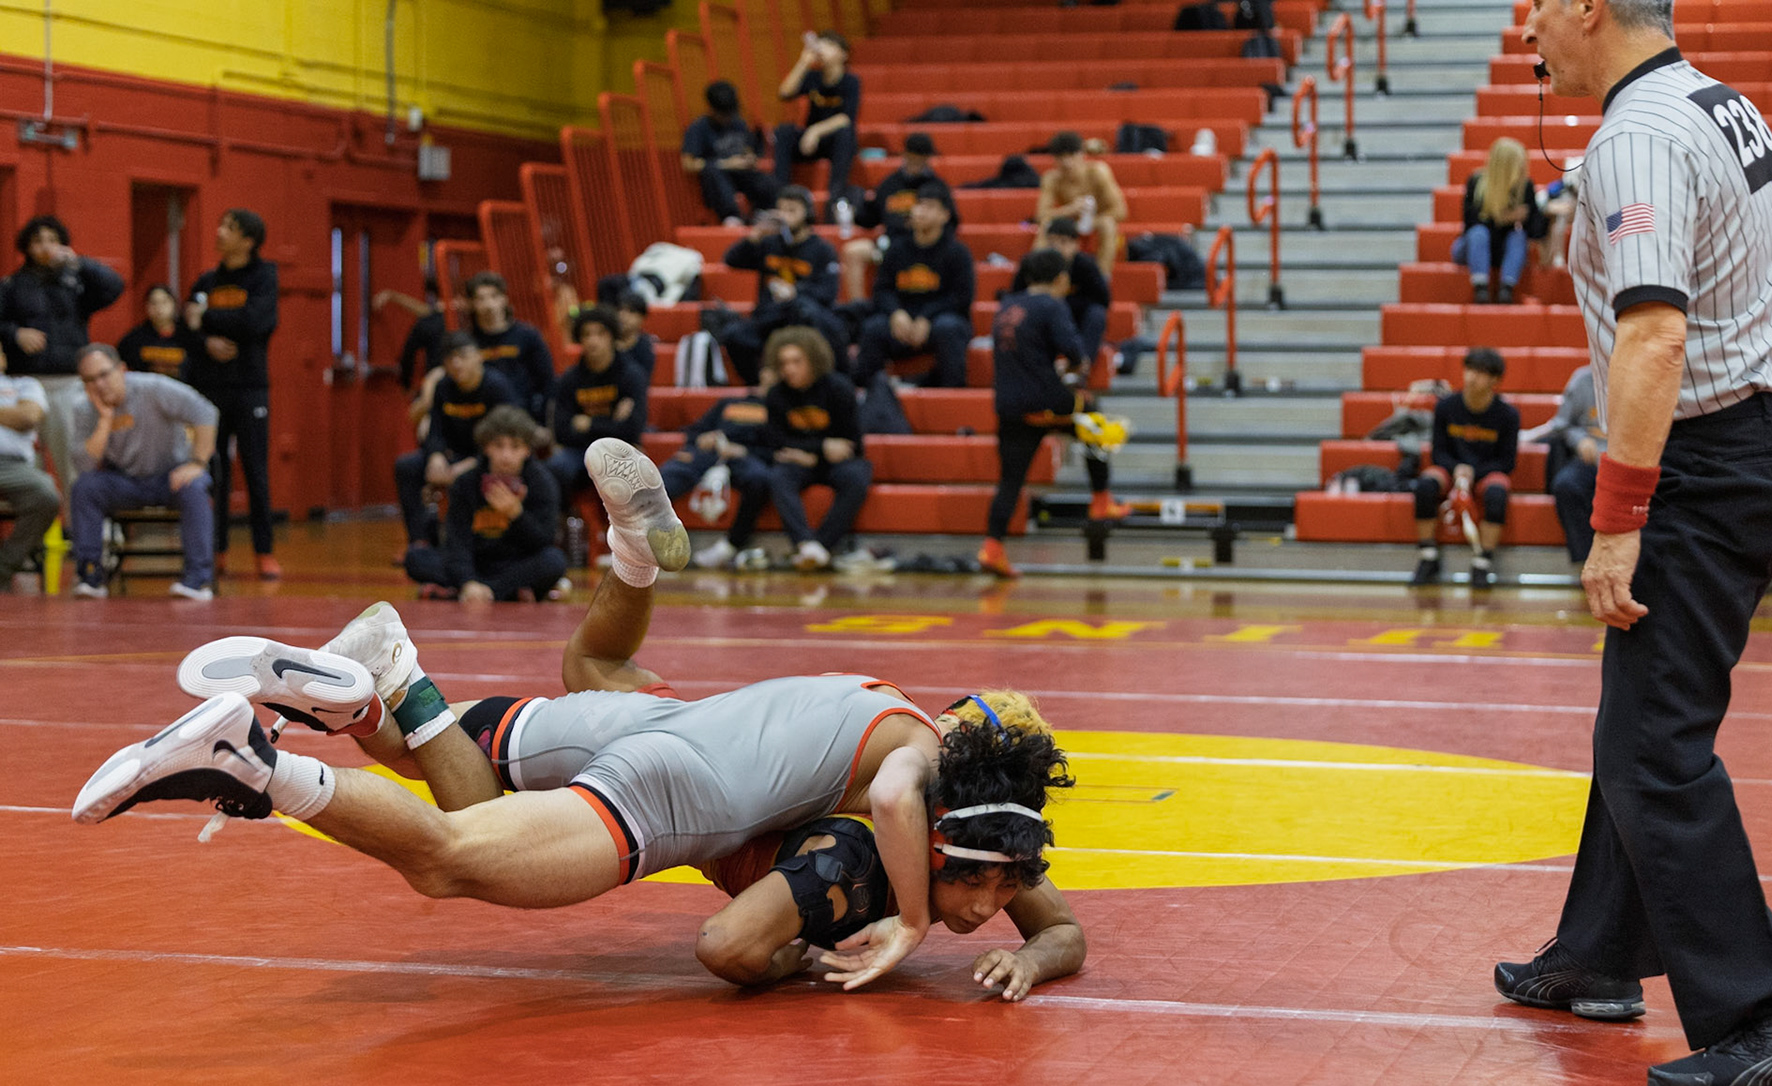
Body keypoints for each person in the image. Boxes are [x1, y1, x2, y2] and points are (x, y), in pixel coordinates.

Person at [84, 439, 1078, 995]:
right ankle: (257, 765)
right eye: (986, 885)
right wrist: (909, 925)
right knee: (451, 856)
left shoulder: (908, 739)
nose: (987, 906)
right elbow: (874, 822)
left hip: (658, 724)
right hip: (679, 785)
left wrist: (1027, 952)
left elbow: (1055, 922)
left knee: (530, 708)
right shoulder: (916, 782)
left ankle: (391, 684)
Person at [1499, 0, 1772, 1086]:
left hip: (1713, 455)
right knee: (1638, 715)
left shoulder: (1637, 133)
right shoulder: (1717, 104)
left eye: (1538, 6)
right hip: (1765, 432)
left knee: (1654, 746)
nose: (1525, 30)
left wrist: (1616, 520)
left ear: (1589, 8)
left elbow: (1654, 332)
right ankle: (1598, 954)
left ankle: (1768, 1016)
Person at [980, 250, 1132, 578]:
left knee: (1010, 481)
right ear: (1061, 279)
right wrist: (1075, 366)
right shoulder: (1052, 305)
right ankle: (1101, 499)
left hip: (1008, 405)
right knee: (1095, 420)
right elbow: (1075, 353)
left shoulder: (1007, 306)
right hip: (1045, 401)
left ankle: (992, 547)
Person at [65, 344, 218, 600]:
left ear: (122, 370)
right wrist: (104, 420)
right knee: (85, 487)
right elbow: (84, 465)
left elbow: (206, 411)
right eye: (89, 380)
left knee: (196, 485)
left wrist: (198, 463)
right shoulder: (83, 407)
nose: (99, 384)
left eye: (104, 375)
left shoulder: (154, 388)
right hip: (123, 480)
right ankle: (90, 578)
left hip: (170, 476)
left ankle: (198, 581)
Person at [0, 214, 125, 498]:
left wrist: (79, 262)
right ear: (26, 246)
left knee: (72, 462)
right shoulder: (11, 285)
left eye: (52, 240)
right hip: (25, 384)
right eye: (38, 240)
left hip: (68, 382)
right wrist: (15, 333)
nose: (46, 246)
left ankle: (79, 523)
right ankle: (37, 526)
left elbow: (115, 287)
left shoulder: (75, 281)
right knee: (29, 466)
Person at [185, 209, 279, 579]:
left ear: (248, 241)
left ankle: (264, 552)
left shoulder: (264, 276)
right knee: (214, 471)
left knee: (256, 471)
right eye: (221, 224)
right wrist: (205, 342)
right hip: (211, 388)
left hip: (250, 387)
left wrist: (207, 318)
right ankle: (217, 550)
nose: (220, 231)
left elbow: (257, 322)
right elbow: (187, 326)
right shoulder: (207, 280)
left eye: (229, 227)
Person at [404, 406, 568, 603]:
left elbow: (544, 540)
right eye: (498, 446)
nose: (506, 455)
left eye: (515, 447)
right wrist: (468, 581)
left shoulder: (542, 482)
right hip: (476, 562)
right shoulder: (466, 483)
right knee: (415, 558)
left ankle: (476, 592)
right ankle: (505, 592)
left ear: (527, 450)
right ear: (486, 446)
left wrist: (516, 514)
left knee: (554, 560)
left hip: (515, 564)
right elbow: (457, 542)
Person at [395, 332, 518, 549]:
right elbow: (435, 430)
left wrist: (474, 463)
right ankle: (419, 540)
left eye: (462, 356)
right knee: (406, 467)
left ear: (478, 356)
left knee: (471, 477)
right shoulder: (443, 387)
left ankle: (473, 542)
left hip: (488, 459)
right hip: (452, 457)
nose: (456, 363)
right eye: (450, 358)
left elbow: (505, 437)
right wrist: (435, 456)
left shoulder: (497, 387)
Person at [1409, 347, 1519, 589]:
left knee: (1497, 492)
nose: (1471, 377)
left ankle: (1482, 562)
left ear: (1495, 380)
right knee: (1425, 485)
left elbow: (1507, 462)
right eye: (1469, 370)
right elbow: (1438, 453)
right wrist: (1457, 469)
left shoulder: (1508, 415)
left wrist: (1473, 472)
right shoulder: (1446, 407)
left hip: (1486, 472)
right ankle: (1428, 556)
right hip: (1451, 470)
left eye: (1479, 372)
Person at [762, 326, 868, 570]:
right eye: (784, 363)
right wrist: (821, 447)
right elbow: (776, 441)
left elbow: (854, 445)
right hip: (800, 462)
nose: (789, 369)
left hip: (833, 463)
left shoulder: (839, 388)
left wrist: (813, 454)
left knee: (857, 476)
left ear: (814, 359)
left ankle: (820, 546)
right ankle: (805, 543)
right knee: (778, 476)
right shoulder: (776, 394)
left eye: (796, 361)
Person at [719, 187, 847, 385]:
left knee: (816, 317)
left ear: (808, 213)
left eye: (792, 210)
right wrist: (755, 235)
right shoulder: (769, 243)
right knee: (733, 335)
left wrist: (795, 292)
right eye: (782, 210)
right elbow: (731, 260)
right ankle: (759, 385)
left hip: (805, 322)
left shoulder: (823, 250)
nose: (786, 216)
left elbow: (828, 293)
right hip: (770, 320)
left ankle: (833, 384)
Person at [852, 185, 974, 389]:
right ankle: (868, 393)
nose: (921, 211)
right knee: (873, 328)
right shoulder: (896, 249)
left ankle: (952, 394)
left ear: (945, 215)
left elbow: (960, 297)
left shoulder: (958, 253)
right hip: (903, 320)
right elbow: (882, 289)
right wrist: (895, 313)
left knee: (949, 328)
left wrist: (926, 317)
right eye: (919, 205)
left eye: (929, 206)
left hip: (939, 320)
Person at [674, 367, 780, 571]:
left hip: (747, 457)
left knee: (759, 478)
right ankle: (636, 538)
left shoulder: (779, 410)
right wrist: (700, 440)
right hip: (711, 452)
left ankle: (730, 545)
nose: (770, 376)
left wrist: (745, 450)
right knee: (673, 472)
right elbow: (695, 431)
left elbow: (777, 450)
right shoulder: (730, 402)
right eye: (768, 371)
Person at [547, 307, 651, 498]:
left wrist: (589, 424)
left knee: (632, 468)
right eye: (587, 334)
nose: (593, 340)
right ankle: (565, 515)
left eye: (600, 333)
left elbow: (632, 430)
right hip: (581, 452)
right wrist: (611, 423)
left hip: (619, 452)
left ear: (612, 336)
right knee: (557, 466)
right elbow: (562, 432)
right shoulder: (569, 379)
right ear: (579, 339)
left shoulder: (631, 375)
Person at [843, 132, 944, 301]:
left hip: (925, 246)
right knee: (853, 251)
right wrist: (856, 209)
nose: (916, 163)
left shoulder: (937, 187)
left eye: (920, 159)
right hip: (892, 244)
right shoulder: (890, 183)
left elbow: (950, 222)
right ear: (905, 155)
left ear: (927, 159)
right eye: (913, 158)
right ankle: (858, 308)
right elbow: (871, 217)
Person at [1450, 137, 1546, 305]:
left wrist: (1537, 214)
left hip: (1504, 250)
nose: (1523, 168)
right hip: (1474, 247)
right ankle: (1480, 287)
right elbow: (1470, 224)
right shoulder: (1476, 182)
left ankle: (1506, 288)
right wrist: (1504, 218)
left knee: (1518, 236)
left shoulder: (1525, 187)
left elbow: (1536, 232)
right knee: (1479, 233)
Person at [772, 31, 860, 209]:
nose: (822, 49)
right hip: (809, 144)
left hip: (832, 141)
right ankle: (779, 195)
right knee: (784, 131)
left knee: (845, 133)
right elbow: (784, 93)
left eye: (829, 45)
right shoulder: (813, 77)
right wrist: (803, 62)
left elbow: (845, 119)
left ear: (843, 54)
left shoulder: (851, 81)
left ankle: (835, 199)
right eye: (821, 44)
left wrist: (815, 131)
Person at [1015, 217, 1112, 362]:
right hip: (1041, 318)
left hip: (1075, 319)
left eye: (1063, 242)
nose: (1057, 247)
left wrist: (1062, 303)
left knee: (1097, 314)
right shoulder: (1033, 263)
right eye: (1052, 241)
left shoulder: (1086, 266)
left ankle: (1083, 363)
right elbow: (1016, 296)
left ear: (1076, 244)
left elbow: (1103, 299)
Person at [682, 80, 777, 225]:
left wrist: (749, 158)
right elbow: (687, 164)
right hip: (716, 181)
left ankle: (762, 212)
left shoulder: (738, 123)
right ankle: (731, 218)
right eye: (723, 114)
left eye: (730, 113)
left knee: (767, 181)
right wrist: (727, 164)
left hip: (741, 174)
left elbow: (747, 148)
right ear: (711, 109)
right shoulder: (698, 128)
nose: (728, 118)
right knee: (712, 170)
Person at [0, 346, 56, 591]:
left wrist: (20, 415)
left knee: (46, 495)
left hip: (14, 465)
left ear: (3, 359)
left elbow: (29, 417)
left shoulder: (25, 385)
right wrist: (11, 414)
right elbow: (19, 416)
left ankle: (4, 566)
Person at [1034, 133, 1128, 278]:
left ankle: (1102, 278)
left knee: (1108, 224)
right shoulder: (1052, 179)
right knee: (1046, 225)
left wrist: (1090, 221)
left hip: (1096, 220)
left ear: (1081, 154)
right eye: (1061, 157)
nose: (1067, 163)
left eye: (1071, 156)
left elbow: (1120, 211)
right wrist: (1071, 209)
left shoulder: (1098, 173)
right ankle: (1038, 277)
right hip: (1070, 222)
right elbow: (1041, 215)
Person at [464, 272, 554, 422]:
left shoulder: (528, 336)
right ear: (471, 304)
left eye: (494, 296)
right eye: (481, 299)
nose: (489, 304)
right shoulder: (467, 342)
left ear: (504, 299)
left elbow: (547, 381)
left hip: (525, 416)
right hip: (483, 419)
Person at [1541, 365, 1605, 563]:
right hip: (1589, 458)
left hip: (1629, 460)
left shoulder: (1641, 378)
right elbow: (1562, 425)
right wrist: (1580, 440)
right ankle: (1585, 561)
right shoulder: (1582, 379)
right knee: (1566, 485)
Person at [116, 285, 195, 382]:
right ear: (146, 306)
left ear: (174, 304)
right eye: (154, 303)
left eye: (164, 302)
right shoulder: (135, 338)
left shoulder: (189, 336)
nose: (159, 308)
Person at [383, 286, 451, 392]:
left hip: (438, 384)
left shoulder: (431, 321)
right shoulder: (437, 319)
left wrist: (406, 384)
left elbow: (408, 354)